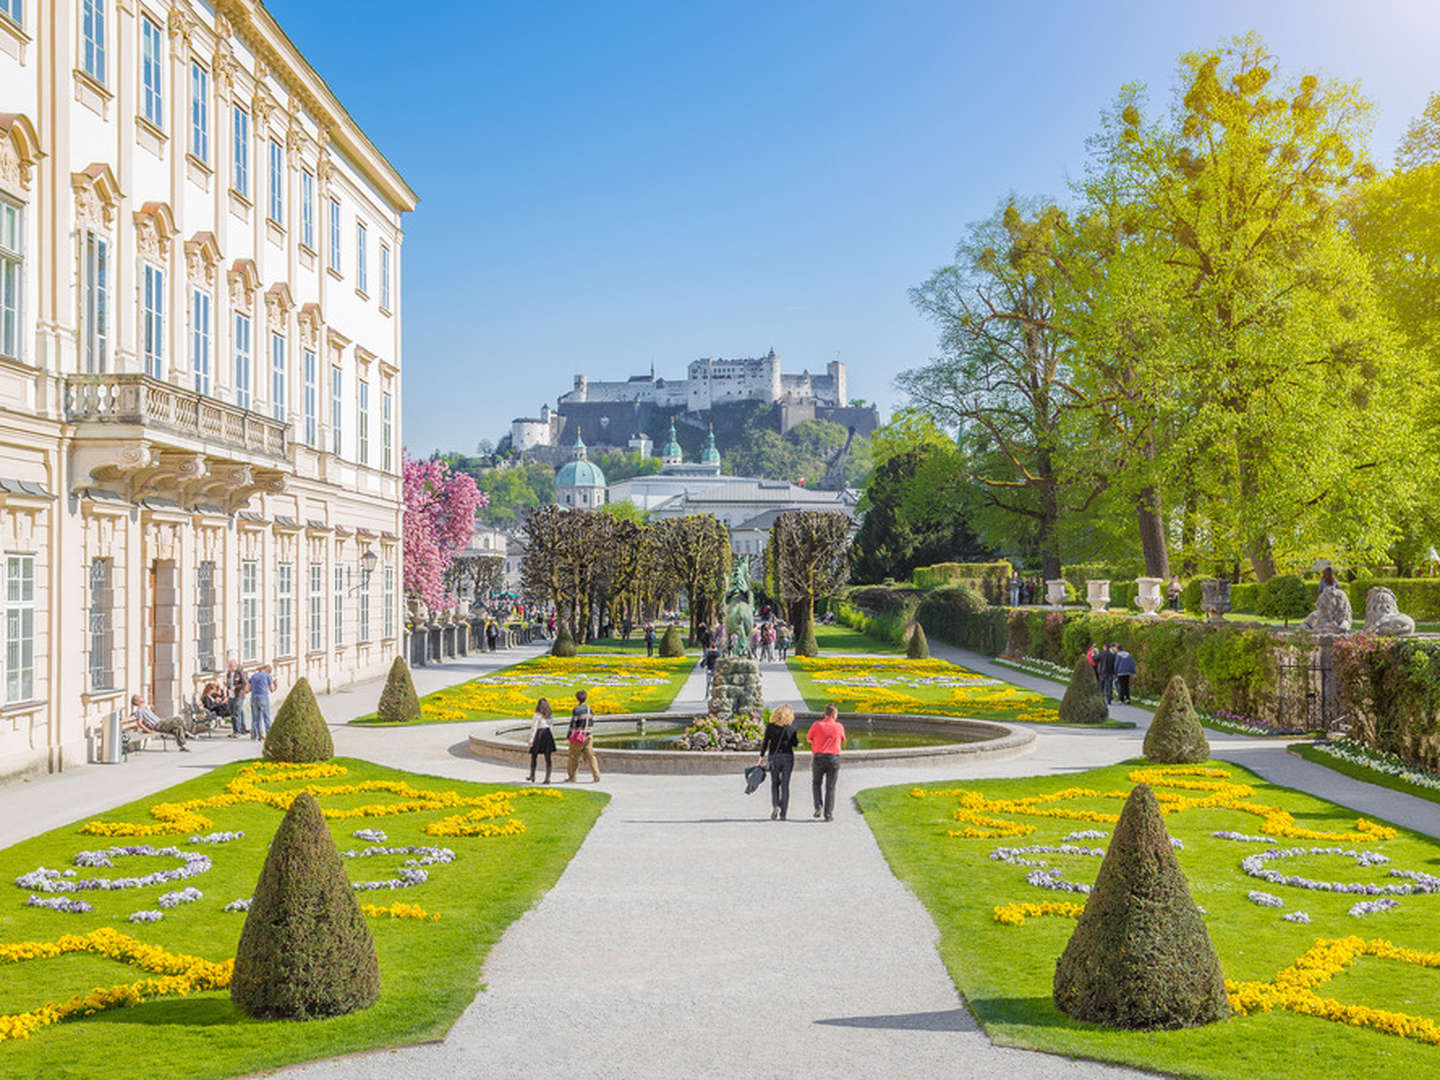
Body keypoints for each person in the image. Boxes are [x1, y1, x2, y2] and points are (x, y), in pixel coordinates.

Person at [757, 704, 800, 820]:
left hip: (774, 757)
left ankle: (776, 805)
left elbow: (765, 743)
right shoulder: (791, 728)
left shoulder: (770, 727)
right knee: (785, 785)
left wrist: (761, 757)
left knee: (775, 783)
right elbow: (795, 743)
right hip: (787, 757)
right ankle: (783, 813)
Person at [807, 704, 846, 822]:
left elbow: (809, 738)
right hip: (833, 758)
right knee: (831, 787)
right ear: (834, 714)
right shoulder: (839, 726)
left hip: (819, 757)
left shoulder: (816, 725)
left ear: (825, 713)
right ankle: (828, 815)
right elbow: (843, 739)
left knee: (816, 783)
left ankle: (818, 806)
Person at [566, 689, 601, 783]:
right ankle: (596, 775)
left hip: (578, 737)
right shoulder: (590, 709)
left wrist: (568, 736)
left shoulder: (576, 710)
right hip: (588, 735)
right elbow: (591, 722)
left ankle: (573, 777)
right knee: (591, 756)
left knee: (574, 757)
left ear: (577, 699)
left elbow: (573, 725)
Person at [527, 698, 556, 783]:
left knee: (534, 755)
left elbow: (534, 728)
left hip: (539, 734)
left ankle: (532, 775)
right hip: (548, 734)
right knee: (548, 757)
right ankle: (547, 778)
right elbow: (551, 726)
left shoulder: (537, 715)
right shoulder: (549, 715)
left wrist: (531, 740)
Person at [248, 664, 277, 741]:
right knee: (266, 717)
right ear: (268, 670)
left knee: (255, 718)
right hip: (263, 698)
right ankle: (269, 735)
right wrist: (275, 685)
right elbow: (272, 689)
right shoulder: (268, 676)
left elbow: (248, 689)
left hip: (253, 698)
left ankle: (256, 736)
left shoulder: (253, 676)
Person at [225, 658, 249, 736]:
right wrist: (227, 686)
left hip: (239, 695)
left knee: (236, 713)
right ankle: (234, 731)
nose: (229, 668)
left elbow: (244, 683)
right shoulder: (228, 674)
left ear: (235, 666)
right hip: (231, 695)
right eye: (228, 666)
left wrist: (235, 687)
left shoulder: (239, 673)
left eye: (230, 666)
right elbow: (229, 684)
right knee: (232, 713)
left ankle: (238, 731)